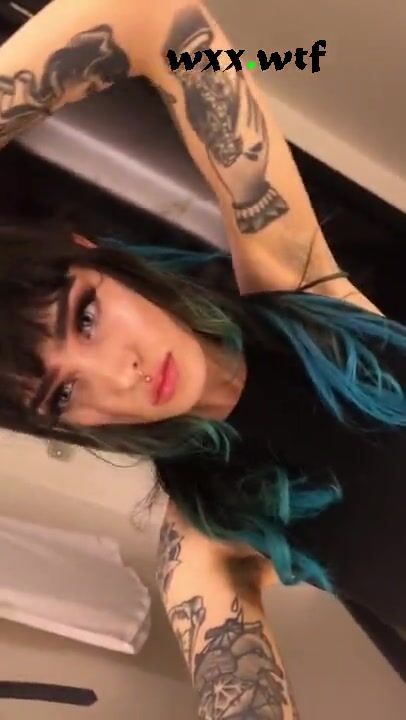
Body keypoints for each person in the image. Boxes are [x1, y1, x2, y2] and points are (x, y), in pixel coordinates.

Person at [0, 0, 405, 715]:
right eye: (63, 395)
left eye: (86, 316)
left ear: (99, 258)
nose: (118, 375)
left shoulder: (301, 292)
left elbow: (151, 18)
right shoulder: (207, 537)